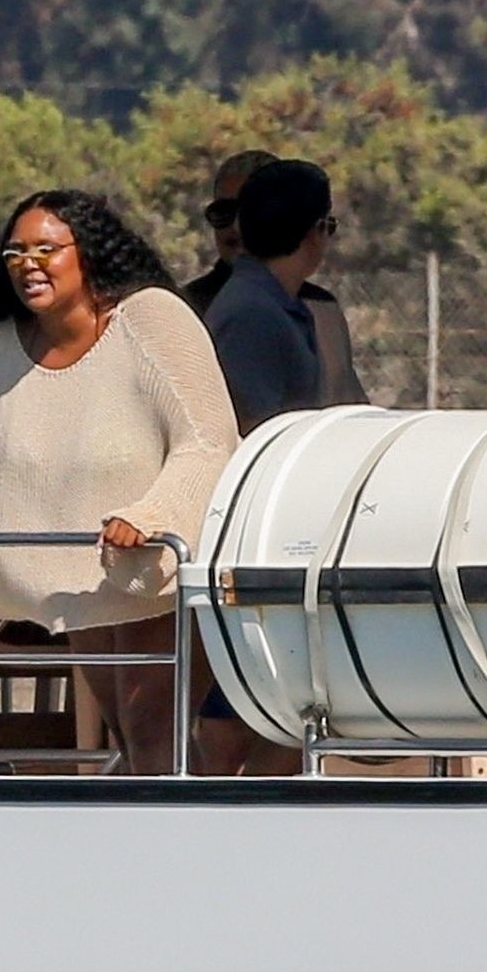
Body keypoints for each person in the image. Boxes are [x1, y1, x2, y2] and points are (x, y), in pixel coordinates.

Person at [0, 190, 238, 775]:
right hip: (82, 572)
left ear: (88, 252)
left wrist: (151, 516)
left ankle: (183, 831)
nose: (28, 264)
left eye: (46, 249)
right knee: (132, 733)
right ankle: (180, 827)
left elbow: (208, 440)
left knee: (155, 727)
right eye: (15, 252)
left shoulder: (153, 318)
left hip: (164, 564)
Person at [196, 159, 345, 774]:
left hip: (278, 527)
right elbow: (256, 430)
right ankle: (210, 799)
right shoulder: (253, 313)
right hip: (259, 533)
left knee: (293, 695)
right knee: (260, 688)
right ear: (315, 233)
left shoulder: (272, 304)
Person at [185, 151, 367, 406]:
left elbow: (347, 402)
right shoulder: (211, 309)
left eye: (255, 211)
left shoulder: (323, 309)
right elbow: (252, 421)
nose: (237, 225)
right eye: (224, 212)